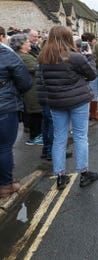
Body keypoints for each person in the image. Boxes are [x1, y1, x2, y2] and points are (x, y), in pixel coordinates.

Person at [37, 25, 98, 190]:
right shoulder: (75, 57)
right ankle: (84, 174)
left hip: (56, 102)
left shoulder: (43, 58)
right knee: (80, 137)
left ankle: (60, 177)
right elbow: (92, 75)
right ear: (68, 38)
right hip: (78, 101)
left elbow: (43, 81)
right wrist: (90, 57)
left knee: (59, 139)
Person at [0, 26, 32, 199]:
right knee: (4, 147)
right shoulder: (7, 55)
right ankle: (5, 185)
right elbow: (25, 82)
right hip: (5, 107)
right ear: (2, 37)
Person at [10, 33, 43, 145]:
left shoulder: (26, 54)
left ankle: (37, 135)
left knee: (36, 114)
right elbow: (37, 67)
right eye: (27, 42)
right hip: (31, 90)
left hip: (34, 88)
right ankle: (34, 137)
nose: (30, 43)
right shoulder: (22, 56)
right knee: (35, 114)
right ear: (21, 45)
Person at [81, 32, 98, 122]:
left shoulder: (81, 48)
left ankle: (94, 112)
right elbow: (95, 61)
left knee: (93, 93)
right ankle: (93, 114)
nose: (96, 41)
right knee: (95, 93)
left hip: (88, 74)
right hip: (95, 73)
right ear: (90, 40)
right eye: (94, 39)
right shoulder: (92, 48)